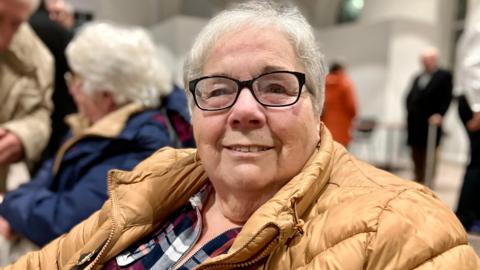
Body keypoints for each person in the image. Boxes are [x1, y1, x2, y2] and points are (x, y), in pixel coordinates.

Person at [4, 1, 478, 269]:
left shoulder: (406, 229)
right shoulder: (158, 179)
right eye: (218, 90)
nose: (244, 111)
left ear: (315, 106)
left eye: (275, 87)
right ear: (193, 111)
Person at [0, 22, 195, 264]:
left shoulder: (143, 144)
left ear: (106, 95)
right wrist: (17, 208)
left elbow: (66, 221)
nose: (71, 90)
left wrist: (10, 204)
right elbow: (48, 173)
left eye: (76, 80)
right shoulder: (96, 123)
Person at [0, 0, 53, 193]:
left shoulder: (36, 59)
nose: (3, 41)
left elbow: (40, 114)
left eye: (16, 24)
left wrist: (23, 136)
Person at [29, 0, 77, 162]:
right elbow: (76, 65)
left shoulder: (22, 25)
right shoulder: (56, 31)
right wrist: (66, 29)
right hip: (58, 112)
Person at [405, 48, 453, 184]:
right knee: (416, 152)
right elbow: (409, 97)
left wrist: (440, 115)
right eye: (423, 61)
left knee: (430, 154)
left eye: (427, 60)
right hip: (415, 123)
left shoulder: (443, 75)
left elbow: (447, 97)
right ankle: (417, 179)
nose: (425, 63)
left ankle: (428, 182)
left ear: (434, 60)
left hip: (430, 123)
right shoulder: (418, 77)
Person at [454, 0, 480, 232]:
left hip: (473, 100)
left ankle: (472, 216)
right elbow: (474, 66)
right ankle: (464, 217)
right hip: (474, 102)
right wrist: (478, 107)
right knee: (478, 163)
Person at [321, 62, 357, 147]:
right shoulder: (345, 83)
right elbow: (352, 106)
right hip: (343, 126)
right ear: (341, 70)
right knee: (341, 156)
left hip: (326, 125)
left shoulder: (323, 84)